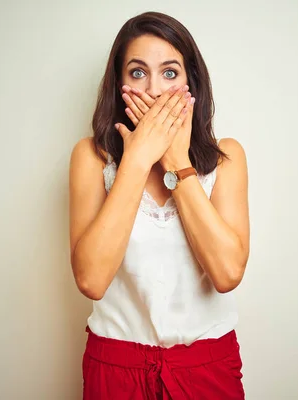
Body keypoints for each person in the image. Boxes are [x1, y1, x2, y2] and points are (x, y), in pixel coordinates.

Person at [69, 11, 250, 400]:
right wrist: (137, 160)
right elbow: (91, 280)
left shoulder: (226, 159)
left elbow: (227, 273)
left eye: (170, 73)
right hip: (115, 369)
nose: (153, 89)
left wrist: (176, 161)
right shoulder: (91, 158)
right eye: (138, 72)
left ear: (191, 83)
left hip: (206, 368)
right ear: (119, 84)